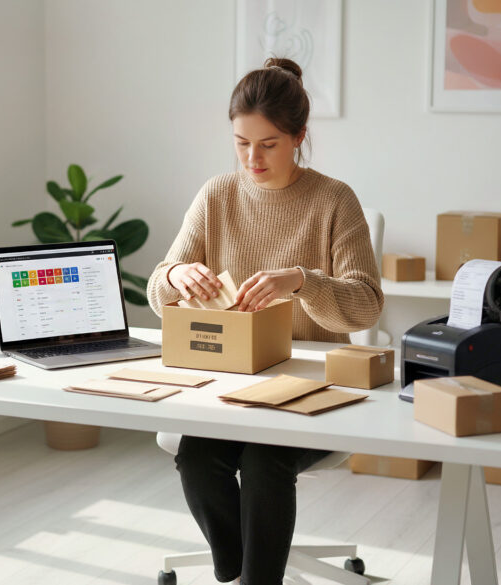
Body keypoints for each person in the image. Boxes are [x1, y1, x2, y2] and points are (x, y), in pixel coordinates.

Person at [146, 57, 384, 584]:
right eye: (240, 142)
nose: (252, 158)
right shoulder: (216, 196)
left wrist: (302, 281)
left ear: (299, 136)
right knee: (197, 456)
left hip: (315, 387)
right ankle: (236, 565)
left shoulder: (334, 201)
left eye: (268, 144)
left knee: (262, 461)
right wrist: (178, 275)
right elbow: (157, 288)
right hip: (232, 385)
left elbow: (367, 304)